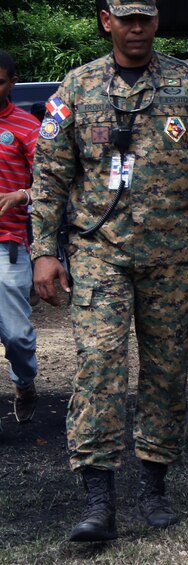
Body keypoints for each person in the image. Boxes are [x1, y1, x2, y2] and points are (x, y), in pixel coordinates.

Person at [31, 0, 188, 541]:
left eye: (144, 18)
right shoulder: (77, 88)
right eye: (124, 18)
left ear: (156, 21)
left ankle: (154, 486)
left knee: (166, 371)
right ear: (107, 21)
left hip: (173, 258)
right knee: (98, 369)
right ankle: (98, 501)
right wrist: (42, 251)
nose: (135, 27)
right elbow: (50, 176)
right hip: (98, 253)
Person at [0, 50, 40, 425]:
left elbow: (48, 183)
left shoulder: (27, 126)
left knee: (16, 336)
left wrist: (20, 195)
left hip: (8, 246)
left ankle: (24, 381)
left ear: (12, 82)